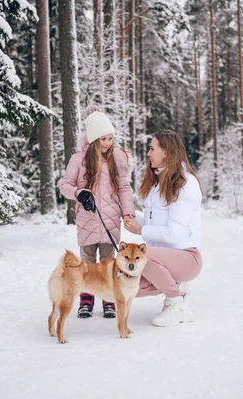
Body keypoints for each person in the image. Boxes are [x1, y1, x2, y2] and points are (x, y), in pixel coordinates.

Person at [59, 108, 135, 319]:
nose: (108, 143)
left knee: (109, 263)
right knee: (88, 264)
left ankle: (109, 300)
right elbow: (64, 184)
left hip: (110, 221)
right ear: (93, 139)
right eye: (103, 138)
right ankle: (86, 300)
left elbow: (124, 189)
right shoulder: (79, 160)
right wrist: (79, 193)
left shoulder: (116, 160)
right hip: (87, 220)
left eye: (111, 138)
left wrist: (128, 212)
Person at [124, 129, 202, 327]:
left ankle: (177, 305)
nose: (149, 153)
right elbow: (155, 226)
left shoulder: (186, 184)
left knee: (143, 256)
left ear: (165, 152)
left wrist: (140, 231)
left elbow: (173, 233)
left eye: (152, 149)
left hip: (187, 258)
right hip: (163, 259)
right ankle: (176, 286)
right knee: (126, 283)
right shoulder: (157, 183)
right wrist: (129, 216)